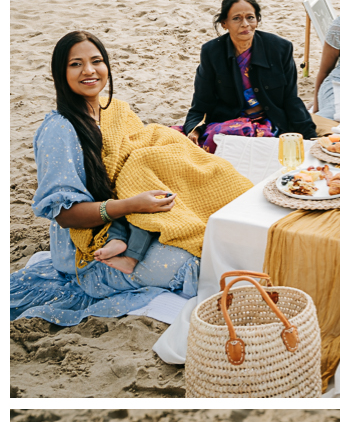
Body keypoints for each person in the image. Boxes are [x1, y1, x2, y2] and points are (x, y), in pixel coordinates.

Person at [11, 31, 251, 327]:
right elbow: (65, 215)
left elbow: (144, 160)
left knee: (216, 231)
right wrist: (129, 204)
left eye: (96, 61)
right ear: (60, 73)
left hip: (135, 217)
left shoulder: (115, 111)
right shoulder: (59, 131)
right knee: (191, 263)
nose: (89, 70)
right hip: (87, 250)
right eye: (76, 64)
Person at [183, 0, 316, 151]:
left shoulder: (280, 48)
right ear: (224, 23)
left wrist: (310, 135)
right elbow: (201, 103)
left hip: (270, 123)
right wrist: (194, 130)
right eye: (236, 18)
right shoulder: (212, 52)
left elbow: (290, 99)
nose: (245, 24)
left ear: (258, 20)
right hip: (228, 124)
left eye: (250, 17)